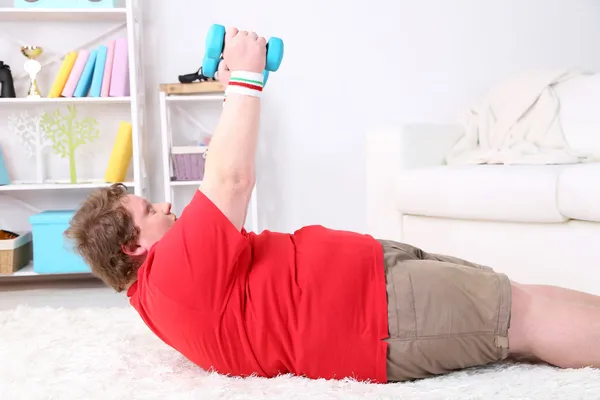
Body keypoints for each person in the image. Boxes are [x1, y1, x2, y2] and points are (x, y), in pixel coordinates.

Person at [65, 27, 600, 383]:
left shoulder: (161, 291)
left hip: (375, 283)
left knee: (514, 301)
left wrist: (231, 90)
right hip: (381, 314)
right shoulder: (173, 274)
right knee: (520, 318)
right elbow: (229, 178)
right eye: (147, 210)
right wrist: (247, 81)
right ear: (134, 246)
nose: (162, 204)